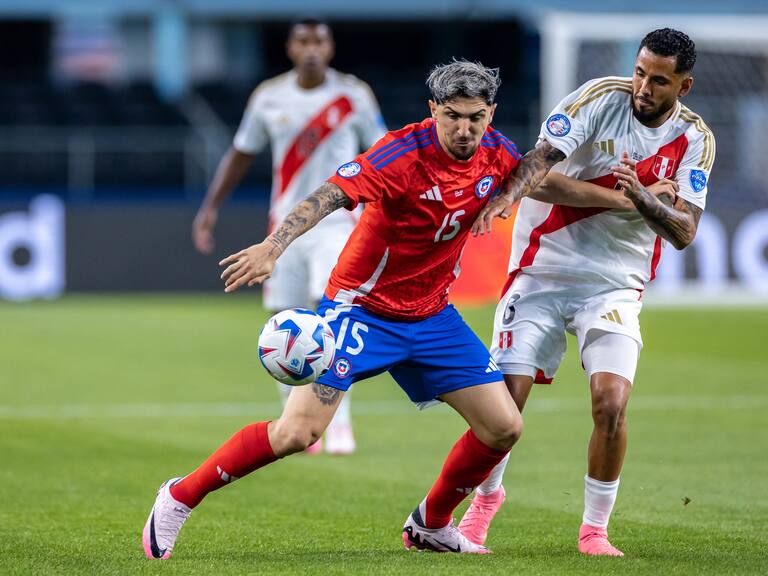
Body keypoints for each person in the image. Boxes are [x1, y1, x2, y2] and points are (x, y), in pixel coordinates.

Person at [461, 28, 715, 557]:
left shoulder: (696, 140)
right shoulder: (599, 99)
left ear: (683, 87)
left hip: (616, 282)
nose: (642, 86)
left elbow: (685, 231)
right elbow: (537, 172)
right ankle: (484, 504)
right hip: (541, 268)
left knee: (611, 403)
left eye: (658, 80)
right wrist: (620, 200)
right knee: (507, 404)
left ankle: (594, 531)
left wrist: (644, 199)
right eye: (640, 71)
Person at [192, 18, 386, 455]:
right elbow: (241, 154)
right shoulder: (268, 96)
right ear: (290, 48)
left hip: (337, 222)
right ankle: (294, 423)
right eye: (304, 41)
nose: (312, 49)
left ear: (331, 47)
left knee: (332, 315)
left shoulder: (353, 94)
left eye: (320, 40)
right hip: (284, 228)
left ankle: (337, 423)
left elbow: (380, 155)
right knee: (284, 322)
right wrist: (210, 208)